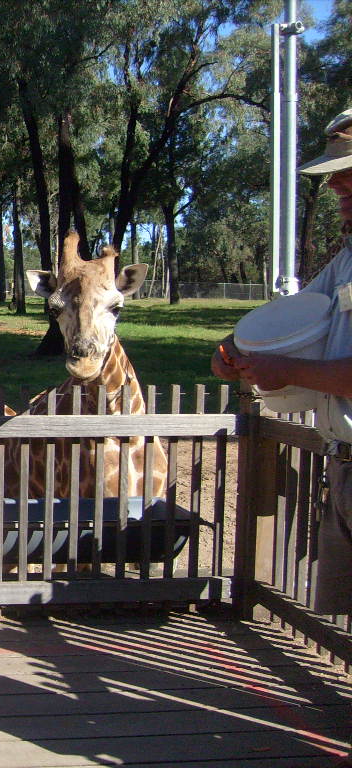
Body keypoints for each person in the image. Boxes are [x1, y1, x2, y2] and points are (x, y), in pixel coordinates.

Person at [212, 107, 352, 618]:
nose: (337, 185)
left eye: (349, 172)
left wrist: (290, 373)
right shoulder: (346, 260)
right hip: (342, 465)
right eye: (335, 174)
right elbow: (291, 316)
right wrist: (235, 346)